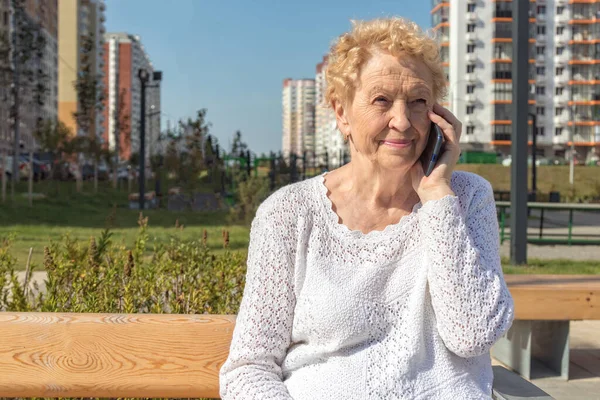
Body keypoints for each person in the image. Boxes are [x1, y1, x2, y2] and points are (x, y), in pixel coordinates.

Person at [220, 17, 514, 399]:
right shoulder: (289, 214)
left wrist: (438, 196)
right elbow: (249, 367)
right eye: (381, 100)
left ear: (438, 114)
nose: (402, 121)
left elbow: (473, 335)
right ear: (341, 112)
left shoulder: (467, 198)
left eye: (418, 101)